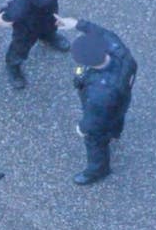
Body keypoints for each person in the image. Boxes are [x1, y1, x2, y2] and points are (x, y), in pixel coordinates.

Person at [55, 14, 138, 185]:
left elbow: (94, 119)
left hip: (103, 110)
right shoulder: (120, 51)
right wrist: (78, 24)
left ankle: (98, 169)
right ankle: (115, 132)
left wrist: (82, 128)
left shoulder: (99, 92)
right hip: (122, 99)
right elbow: (103, 33)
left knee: (95, 141)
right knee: (117, 117)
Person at [1, 0, 70, 89]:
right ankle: (13, 64)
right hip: (26, 28)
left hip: (48, 17)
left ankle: (48, 36)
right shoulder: (19, 6)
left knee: (50, 27)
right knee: (20, 47)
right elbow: (6, 16)